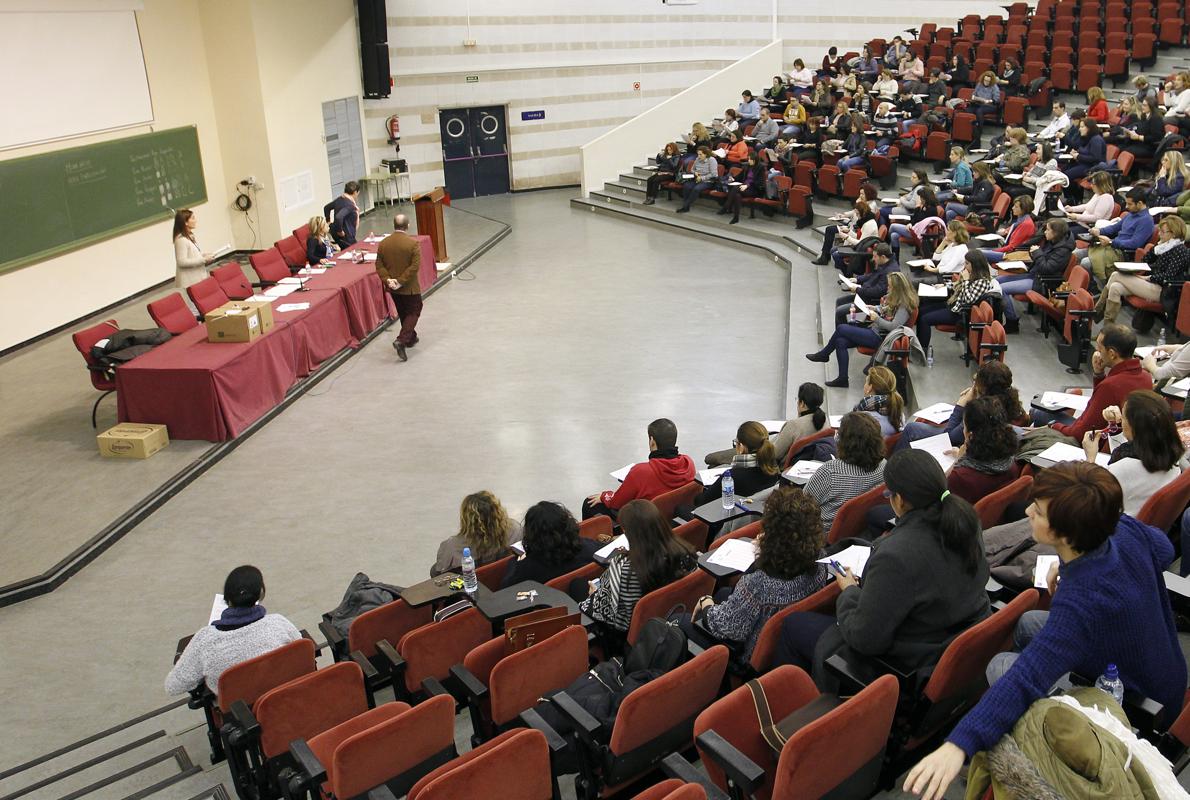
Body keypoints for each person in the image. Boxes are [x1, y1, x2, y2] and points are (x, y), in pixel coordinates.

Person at [904, 461, 1187, 800]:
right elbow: (1165, 549)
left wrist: (958, 744)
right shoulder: (1120, 528)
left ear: (1064, 534)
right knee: (1027, 624)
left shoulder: (1081, 603)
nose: (1027, 511)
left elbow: (1026, 678)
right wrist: (1069, 565)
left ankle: (1017, 734)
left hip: (1134, 701)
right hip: (1169, 672)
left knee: (1001, 667)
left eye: (1037, 511)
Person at [778, 449, 990, 687]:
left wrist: (848, 592)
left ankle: (812, 710)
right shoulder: (967, 520)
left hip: (909, 661)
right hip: (949, 636)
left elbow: (865, 638)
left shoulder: (896, 557)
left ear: (899, 500)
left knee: (791, 626)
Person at [686, 487, 832, 660]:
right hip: (778, 643)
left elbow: (725, 627)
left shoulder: (757, 584)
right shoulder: (820, 560)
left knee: (682, 620)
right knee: (723, 593)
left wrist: (705, 603)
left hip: (746, 655)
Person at [165, 566, 301, 696]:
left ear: (227, 599)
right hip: (283, 700)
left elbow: (172, 687)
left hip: (240, 714)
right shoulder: (278, 623)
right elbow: (302, 648)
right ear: (261, 593)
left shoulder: (205, 641)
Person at [580, 499, 697, 631]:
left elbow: (618, 619)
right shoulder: (684, 552)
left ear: (628, 532)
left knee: (577, 585)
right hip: (673, 613)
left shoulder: (625, 568)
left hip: (635, 632)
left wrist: (594, 595)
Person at [1031, 324, 1154, 439]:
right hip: (1113, 438)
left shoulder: (1111, 386)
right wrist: (1099, 374)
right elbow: (1102, 404)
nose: (1097, 352)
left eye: (1100, 348)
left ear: (1112, 354)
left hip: (1093, 441)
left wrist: (1053, 425)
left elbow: (1080, 433)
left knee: (1038, 413)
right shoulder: (1146, 377)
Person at [1082, 390, 1185, 515]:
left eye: (1124, 417)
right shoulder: (1171, 454)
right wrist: (1114, 426)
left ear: (1134, 427)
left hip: (1112, 526)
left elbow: (1088, 500)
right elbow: (1128, 453)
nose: (1121, 420)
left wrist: (1090, 459)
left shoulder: (1124, 468)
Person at [808, 273, 917, 389]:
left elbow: (894, 326)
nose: (888, 288)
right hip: (875, 330)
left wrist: (877, 319)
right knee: (840, 341)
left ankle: (824, 354)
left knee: (841, 329)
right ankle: (842, 379)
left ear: (897, 288)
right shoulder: (897, 298)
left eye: (890, 286)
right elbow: (886, 309)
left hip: (881, 338)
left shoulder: (904, 306)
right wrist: (874, 308)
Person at [897, 361, 1028, 450]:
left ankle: (889, 479)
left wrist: (961, 404)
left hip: (962, 445)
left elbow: (948, 437)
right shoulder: (1010, 400)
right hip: (982, 443)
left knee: (911, 429)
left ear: (983, 387)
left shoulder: (982, 409)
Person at [584, 418, 696, 519]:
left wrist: (605, 495)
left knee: (589, 503)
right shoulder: (688, 463)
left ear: (652, 441)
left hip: (644, 524)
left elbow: (616, 503)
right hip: (671, 519)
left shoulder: (641, 471)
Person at [705, 383, 828, 468]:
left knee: (711, 459)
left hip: (769, 460)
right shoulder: (824, 420)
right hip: (801, 463)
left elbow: (774, 454)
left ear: (802, 403)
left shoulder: (794, 426)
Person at [1096, 214, 1190, 322]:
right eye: (1159, 231)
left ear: (1174, 234)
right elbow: (1145, 260)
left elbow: (1168, 276)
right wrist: (1157, 248)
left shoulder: (1180, 251)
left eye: (1163, 232)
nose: (1159, 234)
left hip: (1164, 289)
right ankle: (1108, 327)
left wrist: (1148, 278)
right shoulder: (1164, 247)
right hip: (1152, 283)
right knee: (1115, 287)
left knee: (1116, 275)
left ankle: (1097, 311)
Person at [804, 411, 887, 532]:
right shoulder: (884, 466)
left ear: (845, 442)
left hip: (819, 535)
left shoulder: (830, 472)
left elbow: (801, 506)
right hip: (856, 530)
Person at [997, 217, 1075, 329]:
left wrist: (1037, 252)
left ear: (1056, 233)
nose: (1045, 232)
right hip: (1034, 275)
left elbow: (1046, 268)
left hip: (1042, 282)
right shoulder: (1053, 242)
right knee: (997, 281)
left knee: (1001, 289)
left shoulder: (1062, 250)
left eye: (1048, 230)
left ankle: (1012, 322)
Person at [500, 501, 600, 588]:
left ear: (532, 534)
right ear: (567, 524)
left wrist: (516, 563)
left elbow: (505, 588)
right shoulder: (589, 548)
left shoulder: (526, 568)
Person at [916, 249, 996, 351]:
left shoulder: (983, 282)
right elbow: (957, 285)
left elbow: (969, 300)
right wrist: (944, 285)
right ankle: (917, 344)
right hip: (954, 304)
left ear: (975, 265)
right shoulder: (972, 274)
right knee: (921, 311)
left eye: (967, 263)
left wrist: (966, 281)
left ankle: (922, 349)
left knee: (925, 319)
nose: (964, 266)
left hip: (960, 313)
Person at [945, 396, 1020, 504]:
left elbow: (940, 489)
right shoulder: (1011, 462)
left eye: (964, 426)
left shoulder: (960, 478)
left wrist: (958, 461)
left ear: (970, 435)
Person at [431, 491, 523, 577]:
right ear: (498, 512)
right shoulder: (515, 529)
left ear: (466, 519)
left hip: (475, 586)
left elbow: (441, 569)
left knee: (434, 570)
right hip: (505, 579)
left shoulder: (453, 546)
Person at [1077, 187, 1154, 287]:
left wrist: (1111, 242)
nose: (1126, 206)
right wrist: (1099, 231)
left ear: (1139, 203)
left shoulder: (1146, 221)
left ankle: (1101, 287)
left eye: (1130, 204)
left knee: (1086, 262)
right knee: (1077, 254)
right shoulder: (1131, 214)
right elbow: (1115, 227)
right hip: (1113, 246)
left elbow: (1135, 243)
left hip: (1123, 253)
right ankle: (1085, 286)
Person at [696, 421, 781, 505]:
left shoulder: (733, 477)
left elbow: (702, 501)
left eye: (736, 442)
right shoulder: (773, 468)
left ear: (742, 447)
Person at [375, 214, 422, 361]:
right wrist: (401, 281)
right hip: (409, 287)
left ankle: (411, 338)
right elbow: (414, 267)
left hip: (392, 287)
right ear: (407, 226)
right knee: (414, 310)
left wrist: (388, 280)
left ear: (394, 225)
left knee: (403, 312)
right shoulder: (412, 244)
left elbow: (379, 265)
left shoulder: (383, 243)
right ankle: (401, 341)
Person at [833, 243, 899, 325]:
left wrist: (858, 289)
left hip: (871, 301)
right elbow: (871, 275)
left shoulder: (890, 271)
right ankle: (844, 329)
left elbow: (878, 292)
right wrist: (856, 279)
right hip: (865, 295)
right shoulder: (884, 263)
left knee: (840, 312)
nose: (873, 259)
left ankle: (846, 329)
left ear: (883, 257)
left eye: (875, 256)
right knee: (839, 301)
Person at [813, 198, 878, 268]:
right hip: (859, 243)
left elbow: (860, 243)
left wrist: (846, 237)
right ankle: (826, 258)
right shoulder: (865, 221)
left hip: (862, 249)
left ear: (863, 213)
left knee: (835, 254)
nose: (857, 216)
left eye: (857, 214)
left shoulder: (868, 225)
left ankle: (847, 273)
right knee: (833, 249)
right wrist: (848, 231)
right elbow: (858, 237)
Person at [172, 209, 214, 299]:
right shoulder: (181, 240)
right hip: (190, 280)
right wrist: (203, 260)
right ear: (185, 222)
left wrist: (203, 255)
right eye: (193, 218)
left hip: (198, 276)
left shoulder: (189, 236)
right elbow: (181, 262)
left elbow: (192, 255)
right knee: (195, 307)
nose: (196, 220)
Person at [980, 196, 1035, 262]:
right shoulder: (1022, 219)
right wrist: (1006, 231)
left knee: (977, 254)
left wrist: (994, 251)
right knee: (977, 251)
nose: (1012, 208)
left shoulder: (1026, 224)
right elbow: (1013, 228)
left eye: (1016, 207)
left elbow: (1012, 247)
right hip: (1007, 250)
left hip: (1011, 254)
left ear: (1023, 209)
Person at [853, 364, 905, 434]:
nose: (864, 385)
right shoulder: (898, 414)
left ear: (870, 387)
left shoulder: (864, 420)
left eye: (866, 382)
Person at [1062, 119, 1106, 201]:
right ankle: (1073, 197)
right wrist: (1076, 153)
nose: (1079, 129)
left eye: (1082, 127)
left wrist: (1078, 156)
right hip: (1083, 163)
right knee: (1063, 170)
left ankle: (1074, 199)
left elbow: (1096, 158)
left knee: (1066, 176)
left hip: (1092, 167)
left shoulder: (1096, 139)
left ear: (1089, 128)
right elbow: (1085, 151)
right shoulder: (1087, 138)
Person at [719, 152, 766, 224]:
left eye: (750, 159)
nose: (749, 161)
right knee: (737, 196)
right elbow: (740, 176)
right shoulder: (747, 166)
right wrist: (733, 179)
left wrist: (747, 185)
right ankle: (736, 217)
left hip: (754, 189)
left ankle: (726, 206)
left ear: (755, 160)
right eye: (748, 159)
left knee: (735, 188)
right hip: (743, 187)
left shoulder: (760, 168)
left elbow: (760, 182)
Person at [676, 146, 718, 213]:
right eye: (698, 154)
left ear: (706, 154)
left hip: (707, 181)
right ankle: (686, 206)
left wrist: (701, 178)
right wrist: (695, 172)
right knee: (687, 186)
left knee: (696, 189)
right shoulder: (697, 159)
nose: (698, 156)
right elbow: (692, 169)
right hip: (696, 178)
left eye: (700, 154)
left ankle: (685, 206)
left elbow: (714, 174)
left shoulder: (712, 160)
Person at [324, 181, 361, 248]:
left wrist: (328, 222)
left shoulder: (339, 200)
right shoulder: (350, 205)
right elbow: (339, 217)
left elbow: (326, 208)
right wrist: (340, 231)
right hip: (346, 236)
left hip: (336, 235)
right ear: (355, 192)